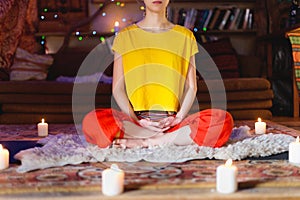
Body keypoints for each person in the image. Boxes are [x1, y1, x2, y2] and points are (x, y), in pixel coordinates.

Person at [82, 0, 234, 149]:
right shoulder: (124, 36)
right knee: (92, 121)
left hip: (172, 122)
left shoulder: (185, 36)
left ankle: (150, 141)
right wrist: (137, 121)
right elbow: (117, 88)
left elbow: (191, 87)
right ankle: (156, 137)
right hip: (135, 122)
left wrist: (178, 118)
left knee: (222, 121)